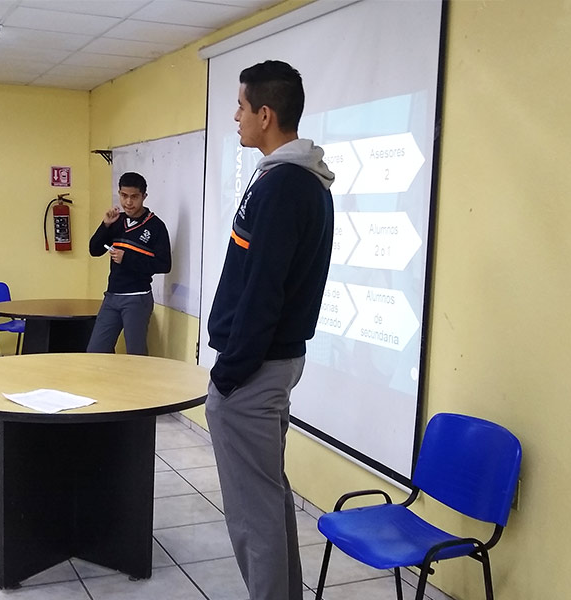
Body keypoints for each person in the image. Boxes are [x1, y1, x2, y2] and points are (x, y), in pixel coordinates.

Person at [205, 60, 335, 600]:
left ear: (265, 113)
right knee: (268, 499)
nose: (234, 117)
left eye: (240, 107)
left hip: (253, 372)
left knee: (252, 514)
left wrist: (229, 375)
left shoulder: (285, 186)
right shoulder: (292, 180)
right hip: (267, 366)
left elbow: (264, 292)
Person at [86, 172, 171, 355]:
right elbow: (94, 250)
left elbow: (164, 265)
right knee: (95, 351)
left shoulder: (156, 226)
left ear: (144, 197)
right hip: (112, 296)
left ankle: (137, 383)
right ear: (119, 193)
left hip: (137, 298)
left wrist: (128, 258)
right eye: (124, 196)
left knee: (135, 354)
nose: (128, 202)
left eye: (134, 197)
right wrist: (105, 225)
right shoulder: (117, 221)